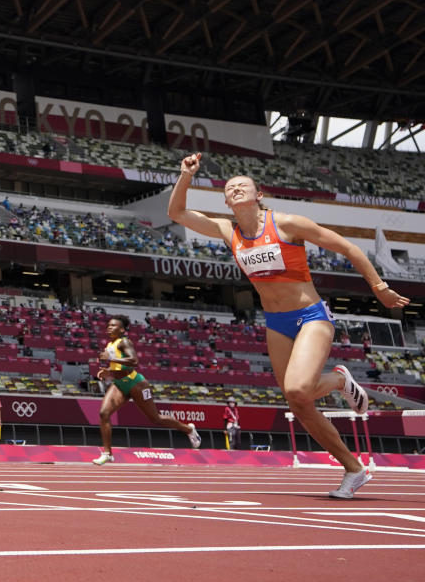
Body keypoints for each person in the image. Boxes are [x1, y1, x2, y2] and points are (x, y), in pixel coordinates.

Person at [168, 152, 410, 498]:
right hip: (276, 322)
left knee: (298, 389)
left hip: (311, 316)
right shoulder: (227, 230)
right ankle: (353, 469)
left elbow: (347, 247)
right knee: (297, 403)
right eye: (230, 187)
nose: (236, 189)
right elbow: (176, 213)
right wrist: (186, 176)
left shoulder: (287, 224)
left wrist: (380, 288)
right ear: (225, 200)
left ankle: (340, 379)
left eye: (243, 186)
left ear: (258, 195)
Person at [93, 315, 201, 465]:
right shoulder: (109, 345)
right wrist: (108, 371)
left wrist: (111, 360)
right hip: (119, 384)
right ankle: (107, 453)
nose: (110, 327)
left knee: (155, 419)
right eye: (109, 325)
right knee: (104, 413)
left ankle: (188, 430)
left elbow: (134, 361)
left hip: (136, 383)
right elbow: (119, 366)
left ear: (122, 329)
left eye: (114, 325)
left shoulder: (124, 341)